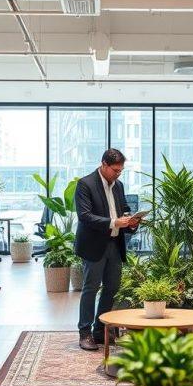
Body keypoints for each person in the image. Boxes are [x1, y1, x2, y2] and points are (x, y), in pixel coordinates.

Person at [74, 148, 140, 351]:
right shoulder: (85, 184)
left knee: (112, 287)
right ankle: (84, 333)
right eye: (115, 170)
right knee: (90, 288)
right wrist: (114, 221)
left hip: (114, 244)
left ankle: (99, 330)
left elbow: (124, 208)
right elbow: (85, 216)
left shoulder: (118, 185)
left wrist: (131, 221)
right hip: (94, 245)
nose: (118, 174)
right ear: (103, 164)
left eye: (120, 171)